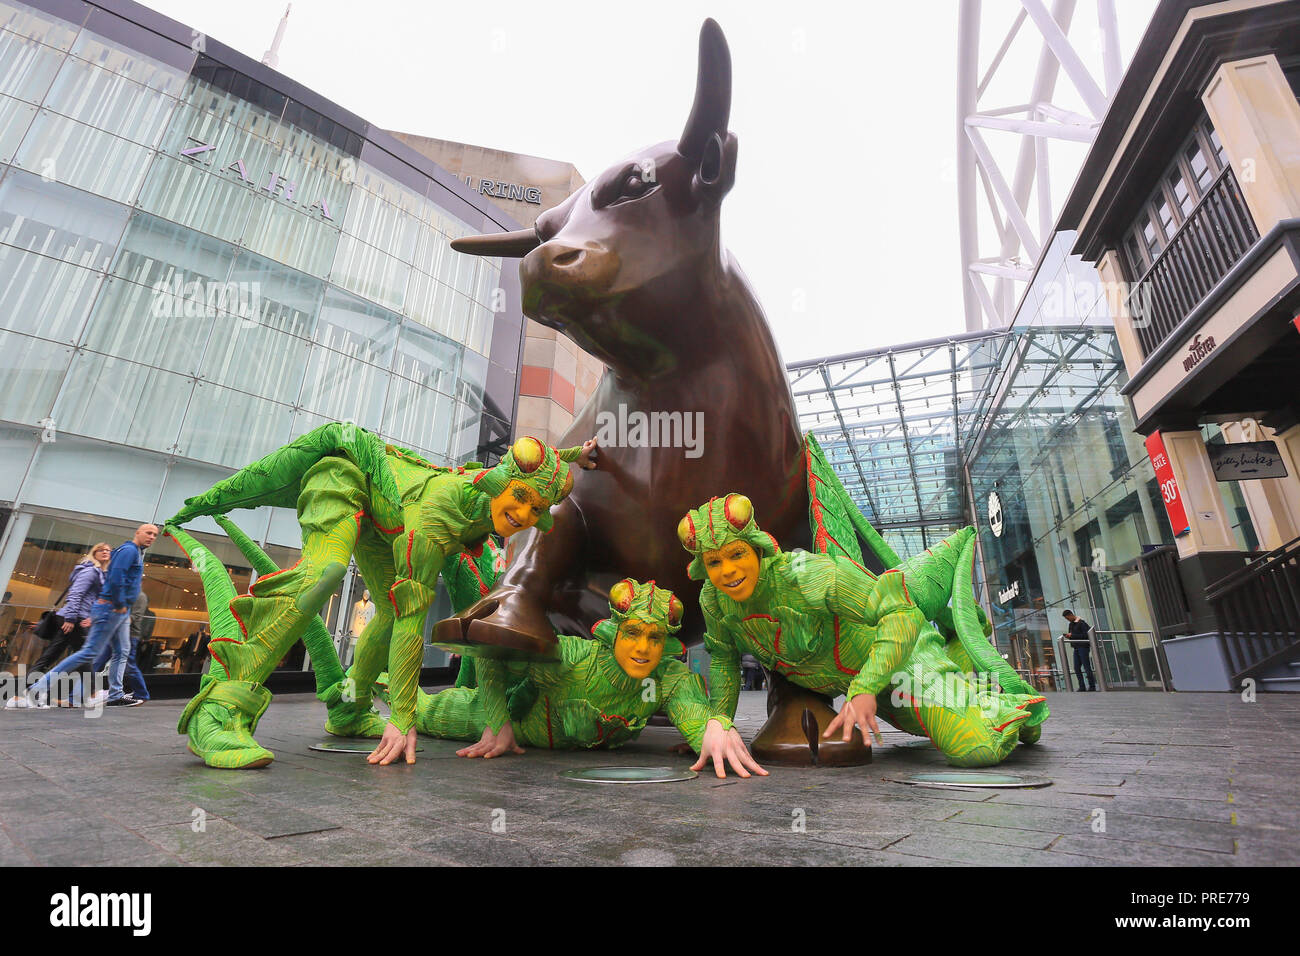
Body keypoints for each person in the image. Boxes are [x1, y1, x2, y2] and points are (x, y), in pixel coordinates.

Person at [167, 426, 596, 769]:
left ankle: (349, 709)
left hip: (383, 517)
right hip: (347, 477)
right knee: (328, 572)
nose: (524, 515)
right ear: (500, 483)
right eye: (520, 498)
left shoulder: (485, 498)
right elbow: (416, 623)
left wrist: (578, 454)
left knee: (388, 614)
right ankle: (218, 711)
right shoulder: (438, 516)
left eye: (537, 509)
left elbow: (538, 465)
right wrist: (402, 720)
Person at [679, 494, 1049, 768]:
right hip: (861, 693)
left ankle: (1010, 706)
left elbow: (901, 615)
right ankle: (961, 666)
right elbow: (725, 661)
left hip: (903, 661)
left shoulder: (810, 576)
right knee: (926, 730)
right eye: (714, 562)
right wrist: (719, 721)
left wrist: (865, 689)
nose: (727, 570)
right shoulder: (715, 601)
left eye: (736, 555)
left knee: (974, 746)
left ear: (757, 551)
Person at [405, 579, 764, 779]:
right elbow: (488, 648)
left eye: (654, 638)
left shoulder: (670, 678)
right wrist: (497, 723)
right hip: (509, 722)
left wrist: (713, 729)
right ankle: (371, 696)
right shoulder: (568, 655)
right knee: (425, 713)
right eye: (634, 634)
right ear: (613, 632)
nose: (643, 648)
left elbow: (699, 721)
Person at [23, 525, 158, 709]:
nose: (152, 537)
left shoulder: (132, 552)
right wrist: (118, 604)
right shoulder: (129, 551)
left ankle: (113, 695)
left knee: (122, 652)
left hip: (118, 610)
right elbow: (116, 576)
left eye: (155, 535)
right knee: (89, 653)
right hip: (114, 609)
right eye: (148, 533)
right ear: (138, 533)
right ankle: (37, 689)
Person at [87, 589, 152, 704]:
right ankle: (84, 690)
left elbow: (134, 616)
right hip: (114, 633)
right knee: (98, 661)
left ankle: (141, 693)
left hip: (129, 635)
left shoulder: (140, 596)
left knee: (129, 665)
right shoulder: (124, 594)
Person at [1063, 609, 1096, 691]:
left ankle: (1092, 686)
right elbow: (1073, 635)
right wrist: (1069, 636)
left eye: (1068, 618)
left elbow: (1086, 635)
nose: (1068, 620)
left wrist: (1072, 635)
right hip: (1076, 647)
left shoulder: (1082, 623)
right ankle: (1082, 686)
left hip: (1083, 647)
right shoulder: (1071, 624)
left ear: (1071, 615)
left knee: (1086, 667)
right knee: (1076, 667)